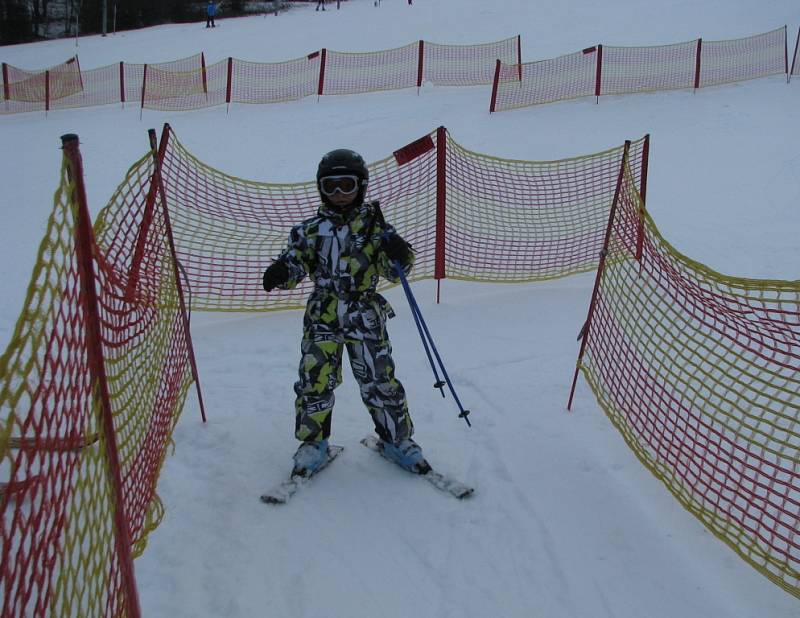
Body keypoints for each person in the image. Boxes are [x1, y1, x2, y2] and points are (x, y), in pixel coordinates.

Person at [262, 149, 427, 477]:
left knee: (379, 378)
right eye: (331, 186)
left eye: (347, 185)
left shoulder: (375, 228)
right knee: (315, 378)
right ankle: (313, 443)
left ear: (361, 187)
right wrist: (282, 270)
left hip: (363, 313)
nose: (339, 194)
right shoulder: (310, 231)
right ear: (321, 188)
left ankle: (397, 440)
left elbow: (395, 271)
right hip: (323, 314)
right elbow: (297, 260)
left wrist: (398, 254)